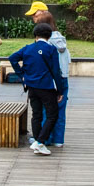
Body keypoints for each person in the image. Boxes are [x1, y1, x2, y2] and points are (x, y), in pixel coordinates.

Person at [8, 22, 65, 155]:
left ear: (35, 36)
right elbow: (56, 71)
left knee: (36, 115)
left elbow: (12, 58)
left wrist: (22, 75)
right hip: (46, 87)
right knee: (52, 115)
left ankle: (38, 141)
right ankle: (40, 142)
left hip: (31, 87)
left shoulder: (28, 48)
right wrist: (60, 90)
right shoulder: (51, 50)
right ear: (49, 36)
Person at [26, 3, 70, 147]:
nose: (34, 19)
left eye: (36, 16)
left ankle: (44, 139)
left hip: (49, 79)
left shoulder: (45, 44)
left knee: (46, 110)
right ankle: (59, 140)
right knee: (60, 110)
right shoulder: (61, 39)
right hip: (63, 77)